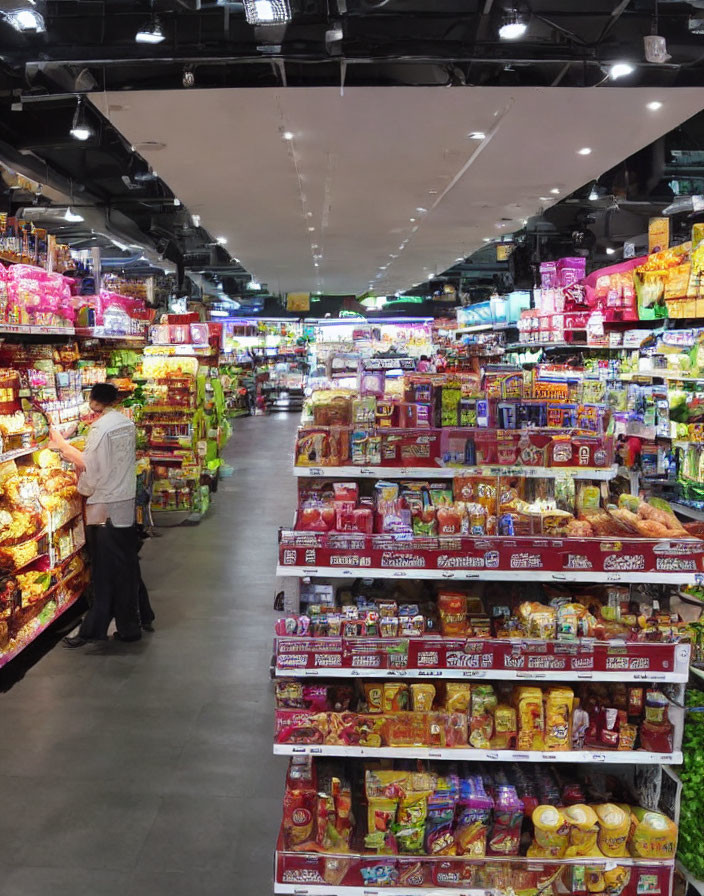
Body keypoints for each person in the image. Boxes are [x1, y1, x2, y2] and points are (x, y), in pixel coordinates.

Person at [49, 383, 145, 647]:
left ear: (93, 402)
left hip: (105, 507)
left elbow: (91, 470)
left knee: (104, 570)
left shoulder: (100, 429)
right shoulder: (125, 423)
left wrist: (80, 483)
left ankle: (93, 629)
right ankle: (134, 622)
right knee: (126, 564)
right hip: (124, 501)